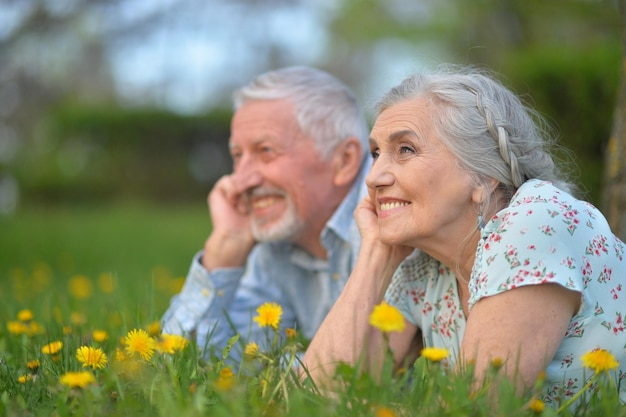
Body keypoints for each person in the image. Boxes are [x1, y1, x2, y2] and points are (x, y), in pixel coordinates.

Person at [302, 65, 626, 407]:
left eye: (405, 150)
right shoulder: (424, 268)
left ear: (483, 174)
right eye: (377, 153)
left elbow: (475, 409)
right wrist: (375, 253)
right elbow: (315, 398)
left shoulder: (535, 221)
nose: (374, 177)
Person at [161, 66, 371, 363]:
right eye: (237, 156)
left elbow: (385, 371)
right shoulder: (280, 241)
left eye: (266, 151)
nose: (242, 180)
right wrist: (223, 251)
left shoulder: (392, 214)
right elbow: (192, 360)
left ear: (344, 160)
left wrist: (285, 369)